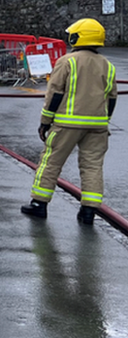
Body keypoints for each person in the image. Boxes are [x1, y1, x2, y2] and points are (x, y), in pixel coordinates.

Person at [21, 18, 117, 225]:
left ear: (76, 37)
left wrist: (45, 122)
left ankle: (39, 204)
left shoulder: (67, 61)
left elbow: (55, 94)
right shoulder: (107, 66)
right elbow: (112, 98)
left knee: (51, 162)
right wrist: (104, 121)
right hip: (98, 126)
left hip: (67, 124)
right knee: (92, 166)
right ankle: (89, 211)